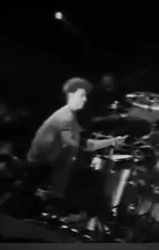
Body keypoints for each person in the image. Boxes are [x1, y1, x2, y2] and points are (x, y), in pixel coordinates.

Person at [27, 77, 127, 207]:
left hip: (46, 166)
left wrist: (112, 141)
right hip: (41, 168)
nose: (84, 99)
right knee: (88, 176)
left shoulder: (69, 116)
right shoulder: (66, 119)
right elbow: (75, 143)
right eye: (82, 96)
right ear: (70, 95)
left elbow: (84, 144)